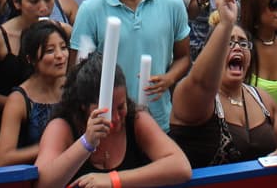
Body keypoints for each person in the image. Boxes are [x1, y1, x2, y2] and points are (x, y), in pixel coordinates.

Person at [169, 0, 277, 171]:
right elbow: (201, 82)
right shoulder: (191, 95)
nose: (237, 47)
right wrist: (225, 24)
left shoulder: (262, 99)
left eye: (242, 43)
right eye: (229, 42)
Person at [71, 0, 190, 131]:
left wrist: (168, 79)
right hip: (111, 126)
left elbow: (184, 57)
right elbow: (76, 73)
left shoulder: (172, 4)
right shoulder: (90, 10)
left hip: (160, 123)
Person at [32, 53, 192, 188]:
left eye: (121, 107)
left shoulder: (136, 119)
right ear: (83, 106)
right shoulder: (62, 127)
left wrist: (113, 180)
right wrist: (86, 143)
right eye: (106, 111)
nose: (115, 118)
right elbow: (42, 183)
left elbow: (181, 166)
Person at [0, 20, 69, 166]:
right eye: (50, 51)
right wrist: (51, 147)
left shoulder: (74, 87)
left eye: (63, 47)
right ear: (31, 59)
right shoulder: (19, 100)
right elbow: (3, 159)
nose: (60, 55)